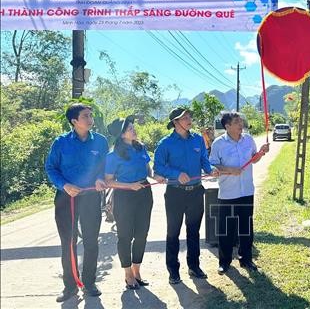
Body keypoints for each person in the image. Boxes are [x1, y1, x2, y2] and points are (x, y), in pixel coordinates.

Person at [44, 103, 108, 302]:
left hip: (90, 197)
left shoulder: (100, 141)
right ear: (74, 121)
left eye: (91, 115)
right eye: (86, 116)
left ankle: (89, 283)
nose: (91, 119)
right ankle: (70, 286)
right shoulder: (61, 142)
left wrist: (100, 178)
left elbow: (105, 165)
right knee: (68, 243)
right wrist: (64, 185)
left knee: (91, 241)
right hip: (66, 198)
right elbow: (51, 167)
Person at [154, 107, 219, 284]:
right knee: (173, 233)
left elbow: (204, 161)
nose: (189, 119)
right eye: (185, 117)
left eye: (189, 116)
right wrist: (176, 174)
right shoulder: (165, 143)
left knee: (193, 232)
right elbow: (158, 168)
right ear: (175, 122)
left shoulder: (198, 139)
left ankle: (194, 266)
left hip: (196, 192)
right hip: (175, 194)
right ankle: (173, 271)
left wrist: (210, 170)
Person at [105, 116, 164, 290]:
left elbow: (147, 170)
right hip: (124, 196)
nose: (134, 130)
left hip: (144, 193)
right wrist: (129, 185)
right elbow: (108, 181)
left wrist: (156, 177)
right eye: (130, 128)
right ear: (122, 134)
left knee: (141, 234)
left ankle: (137, 271)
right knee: (125, 236)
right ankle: (127, 273)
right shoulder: (112, 155)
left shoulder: (141, 148)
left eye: (133, 127)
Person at [210, 112, 269, 274]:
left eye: (241, 121)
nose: (240, 124)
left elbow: (254, 158)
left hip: (247, 191)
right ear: (227, 126)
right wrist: (229, 170)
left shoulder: (248, 139)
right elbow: (213, 166)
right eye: (236, 122)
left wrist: (261, 152)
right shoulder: (218, 144)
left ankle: (246, 259)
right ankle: (224, 262)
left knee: (246, 228)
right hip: (228, 193)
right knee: (227, 229)